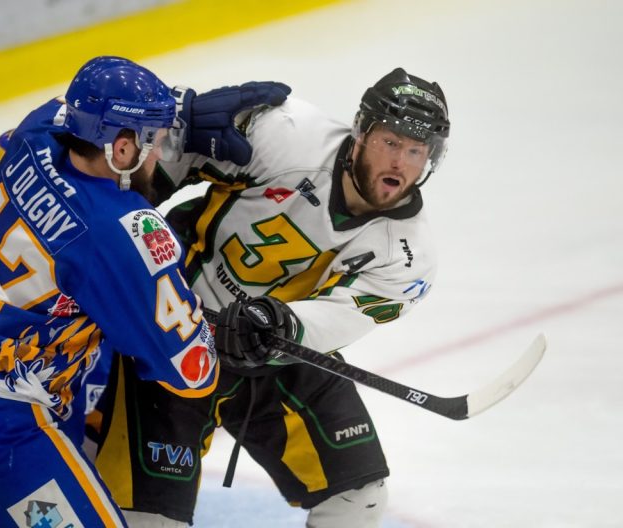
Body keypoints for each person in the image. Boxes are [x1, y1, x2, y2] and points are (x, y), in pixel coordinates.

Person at [0, 56, 287, 527]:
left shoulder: (34, 132)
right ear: (122, 149)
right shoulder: (121, 229)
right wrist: (213, 329)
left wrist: (182, 109)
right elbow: (192, 371)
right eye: (155, 143)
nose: (161, 157)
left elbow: (78, 103)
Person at [92, 67, 450, 527]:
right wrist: (120, 225)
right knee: (146, 521)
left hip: (275, 352)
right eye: (390, 143)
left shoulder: (409, 255)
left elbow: (341, 316)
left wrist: (283, 326)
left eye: (415, 151)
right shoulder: (284, 135)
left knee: (358, 497)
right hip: (176, 330)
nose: (400, 162)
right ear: (362, 134)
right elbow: (157, 161)